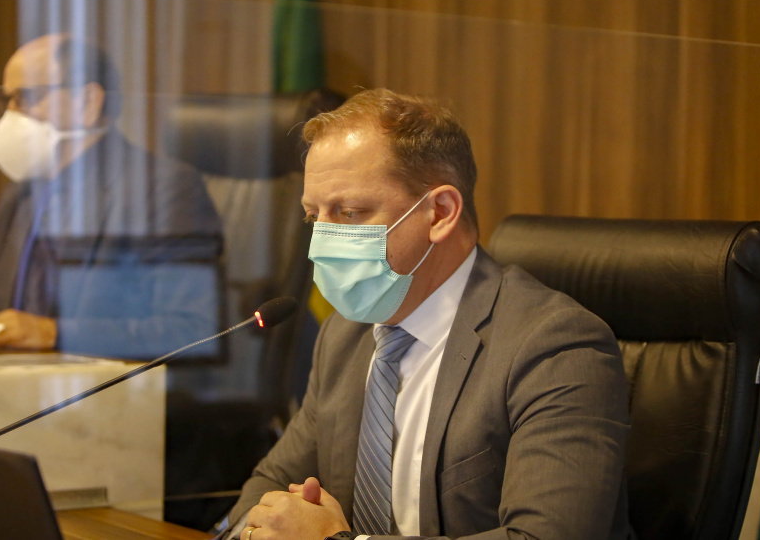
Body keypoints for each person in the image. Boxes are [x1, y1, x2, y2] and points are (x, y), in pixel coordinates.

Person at [217, 89, 632, 540]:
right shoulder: (347, 333)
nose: (322, 242)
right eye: (313, 217)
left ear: (440, 212)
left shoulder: (556, 346)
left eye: (349, 213)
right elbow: (269, 486)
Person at [0, 34, 223, 358]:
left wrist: (54, 333)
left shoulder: (162, 188)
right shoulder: (24, 193)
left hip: (107, 398)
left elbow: (192, 329)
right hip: (18, 387)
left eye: (26, 97)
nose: (11, 114)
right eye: (6, 100)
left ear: (88, 102)